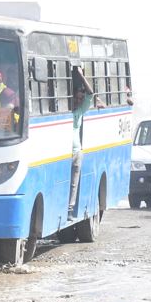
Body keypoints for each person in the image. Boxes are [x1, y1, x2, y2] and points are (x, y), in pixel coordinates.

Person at [69, 66, 95, 220]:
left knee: (73, 184)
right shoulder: (66, 112)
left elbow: (90, 94)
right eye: (76, 98)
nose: (79, 101)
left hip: (77, 151)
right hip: (63, 154)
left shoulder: (79, 112)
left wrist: (81, 75)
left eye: (80, 99)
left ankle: (70, 210)